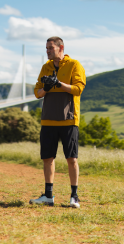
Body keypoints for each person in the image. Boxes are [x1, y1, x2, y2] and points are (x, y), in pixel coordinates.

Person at [30, 37, 86, 208]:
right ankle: (48, 196)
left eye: (50, 48)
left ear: (61, 47)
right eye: (46, 48)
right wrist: (46, 88)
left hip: (68, 120)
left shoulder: (74, 65)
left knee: (72, 159)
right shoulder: (45, 67)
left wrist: (59, 84)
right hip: (48, 120)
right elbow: (37, 93)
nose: (47, 51)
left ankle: (74, 197)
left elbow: (78, 89)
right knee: (47, 158)